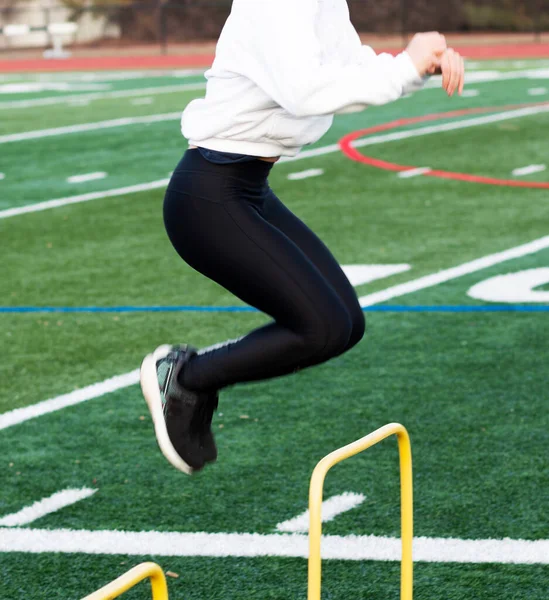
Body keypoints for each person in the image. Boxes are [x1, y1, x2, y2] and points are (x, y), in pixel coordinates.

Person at [140, 0, 465, 475]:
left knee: (346, 324)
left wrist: (418, 69)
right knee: (321, 327)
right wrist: (405, 66)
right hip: (208, 198)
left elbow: (347, 68)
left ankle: (190, 376)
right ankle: (186, 378)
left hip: (246, 189)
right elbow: (306, 92)